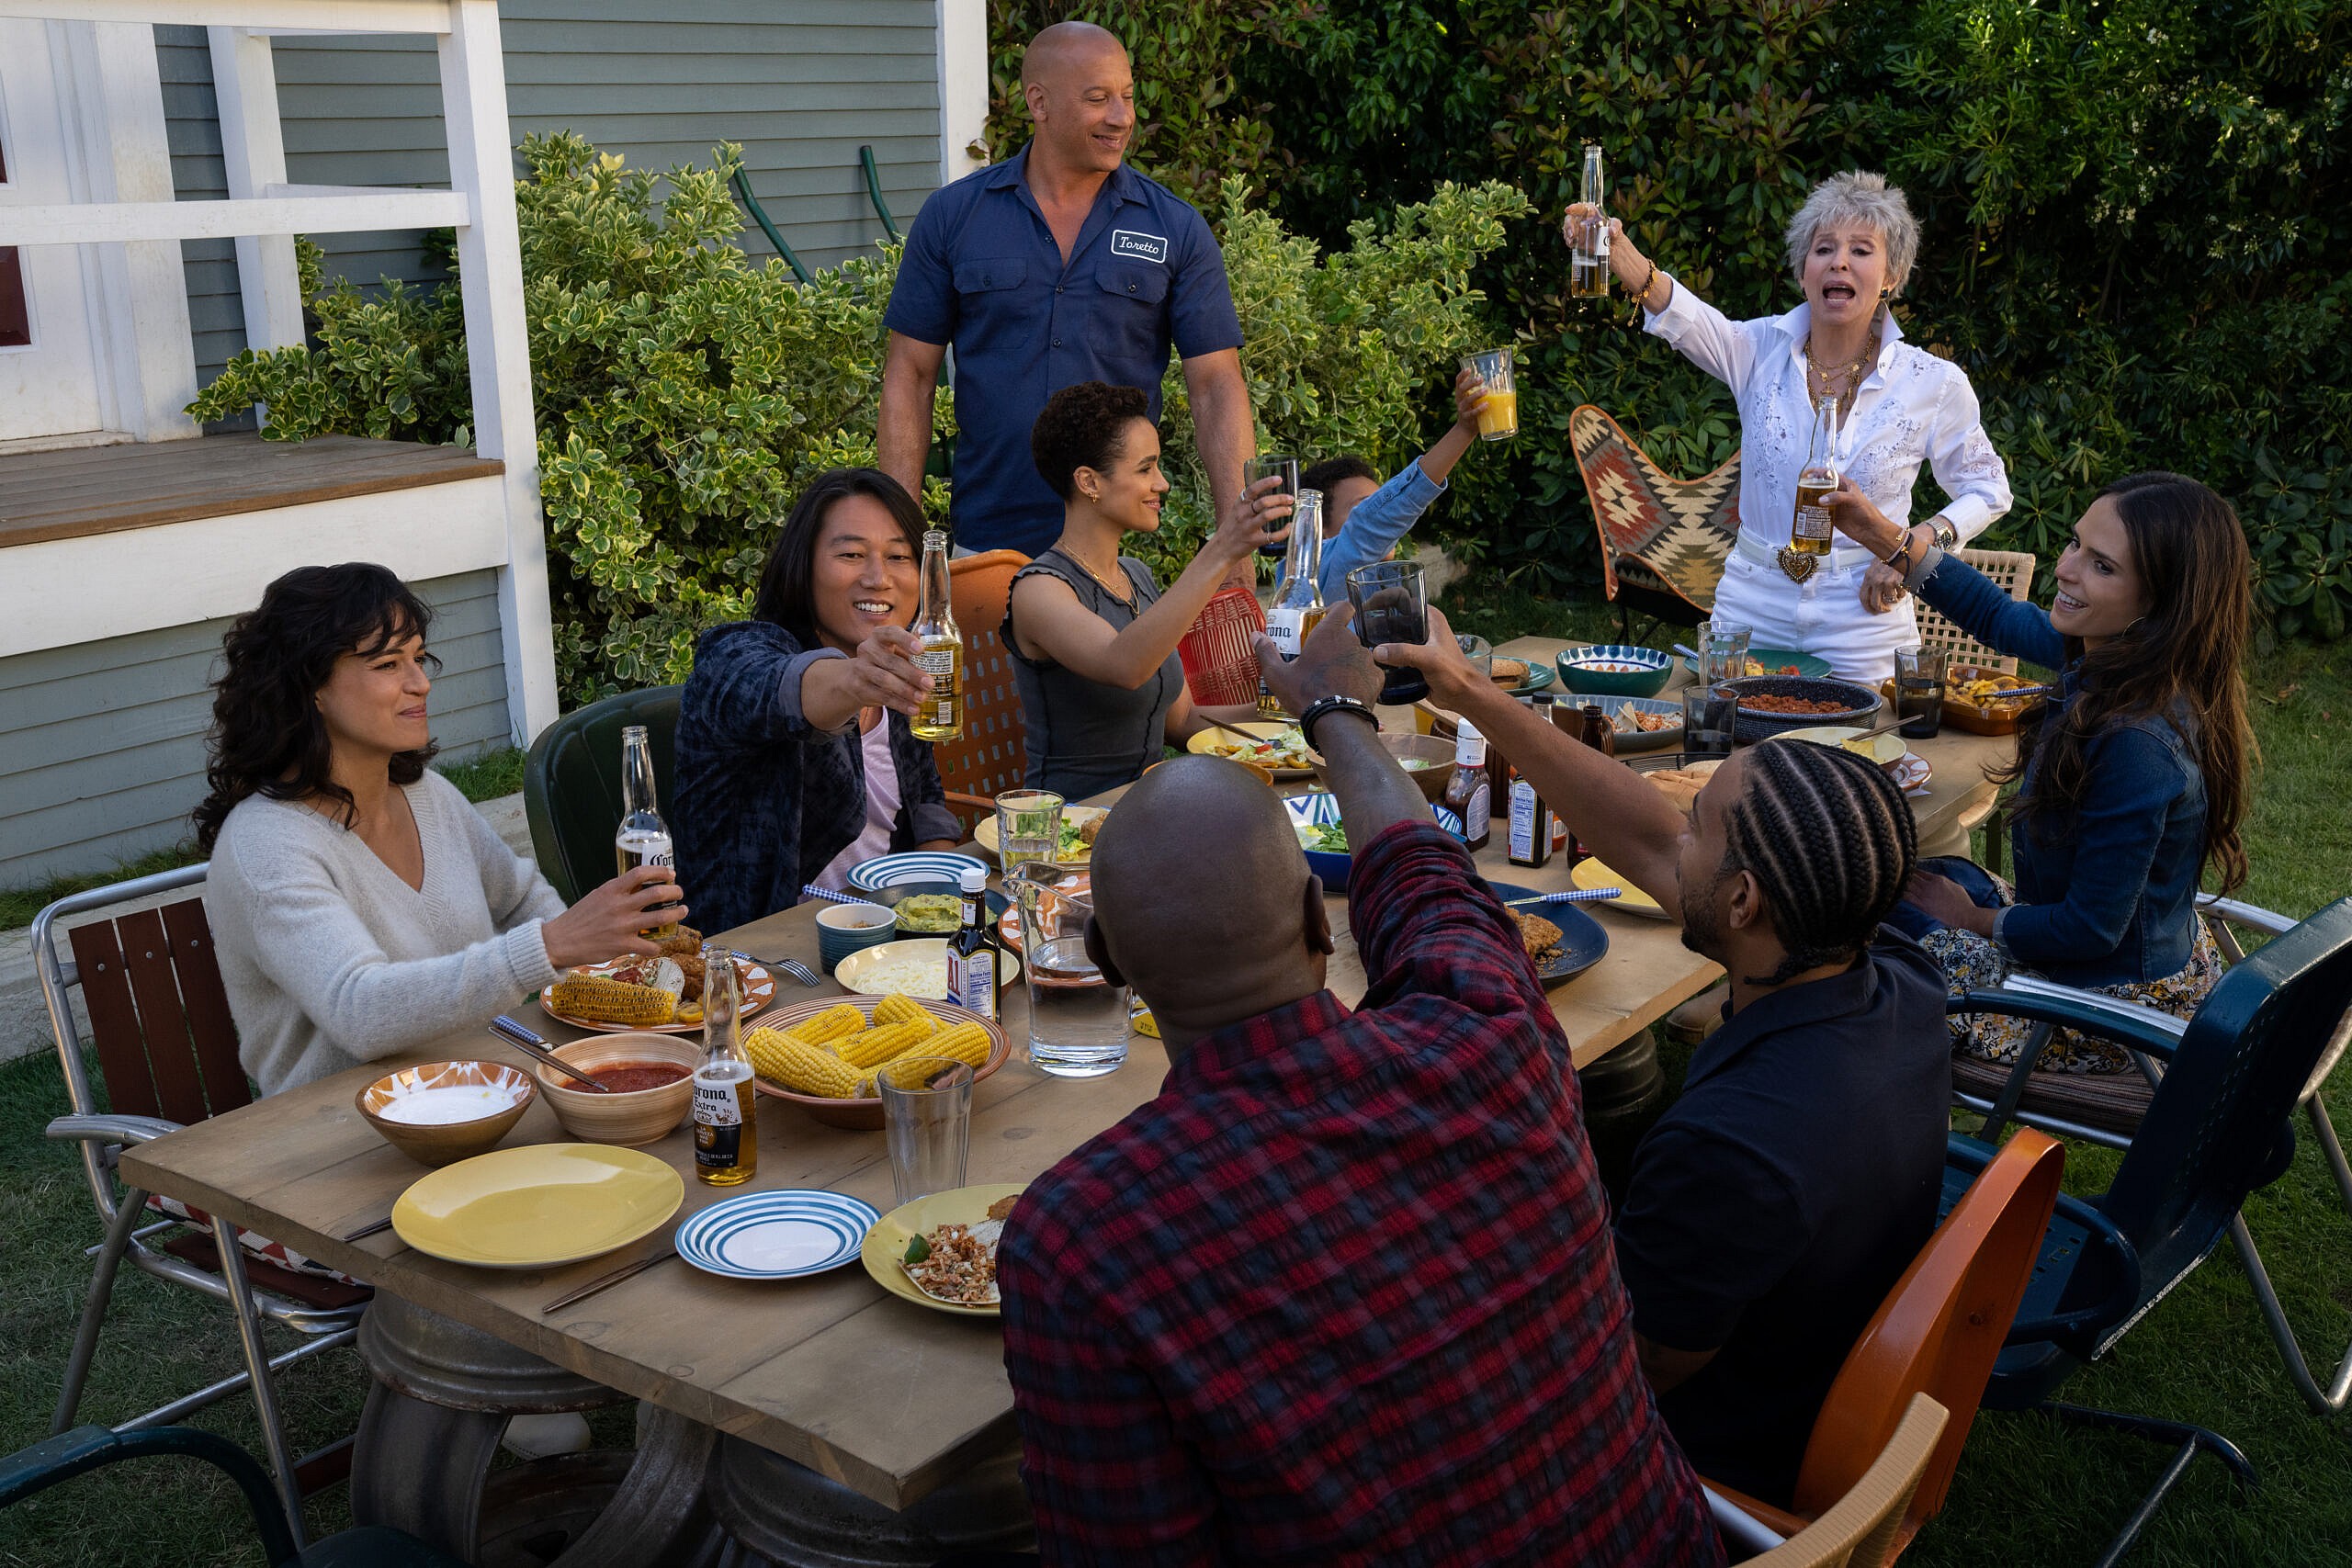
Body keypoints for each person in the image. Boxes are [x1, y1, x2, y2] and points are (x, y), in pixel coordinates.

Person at [994, 609, 1724, 1564]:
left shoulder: (1082, 1240)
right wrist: (1333, 712)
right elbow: (1424, 874)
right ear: (1314, 915)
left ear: (1105, 960)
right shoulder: (1490, 1035)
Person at [1377, 609, 1950, 1506]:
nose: (1673, 832)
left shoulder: (1735, 1148)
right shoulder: (1900, 985)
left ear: (1743, 899)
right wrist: (1469, 694)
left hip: (1700, 1459)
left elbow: (1625, 1369)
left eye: (1700, 828)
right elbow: (1645, 836)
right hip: (1803, 1342)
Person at [1830, 470, 2253, 1083]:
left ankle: (1818, 1098)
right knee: (1914, 876)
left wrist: (1974, 921)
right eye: (2077, 543)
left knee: (1854, 910)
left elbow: (2090, 929)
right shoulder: (2124, 660)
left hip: (2102, 1006)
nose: (2069, 568)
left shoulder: (2137, 742)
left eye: (2102, 565)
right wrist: (1879, 533)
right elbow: (1996, 614)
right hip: (2110, 958)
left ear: (2159, 604)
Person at [198, 564, 682, 1097]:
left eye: (419, 657)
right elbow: (360, 1011)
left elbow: (521, 898)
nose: (421, 682)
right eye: (388, 664)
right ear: (309, 686)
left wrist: (597, 974)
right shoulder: (266, 846)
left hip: (481, 1090)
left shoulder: (426, 794)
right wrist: (551, 947)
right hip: (339, 1136)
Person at [1566, 171, 2012, 682]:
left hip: (1865, 623)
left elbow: (1988, 488)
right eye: (1823, 249)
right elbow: (1679, 311)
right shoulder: (1757, 349)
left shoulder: (1932, 382)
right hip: (1751, 610)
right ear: (1804, 272)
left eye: (1862, 250)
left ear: (1892, 276)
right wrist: (1614, 245)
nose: (1839, 261)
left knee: (1862, 756)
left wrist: (1912, 547)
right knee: (1732, 751)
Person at [877, 21, 1256, 559]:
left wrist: (1234, 545)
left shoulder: (1174, 227)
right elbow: (909, 376)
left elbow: (1217, 388)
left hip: (1120, 554)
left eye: (1126, 97)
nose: (1122, 116)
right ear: (1039, 102)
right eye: (1098, 98)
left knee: (1122, 651)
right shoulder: (954, 216)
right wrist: (898, 541)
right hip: (988, 547)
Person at [675, 469, 964, 930]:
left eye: (898, 556)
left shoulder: (899, 663)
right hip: (761, 956)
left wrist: (941, 899)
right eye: (851, 554)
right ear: (803, 564)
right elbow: (768, 687)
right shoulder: (735, 653)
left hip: (888, 931)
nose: (878, 578)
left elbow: (923, 797)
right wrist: (853, 679)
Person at [1003, 381, 1282, 797]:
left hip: (1149, 810)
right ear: (1089, 482)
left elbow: (1183, 721)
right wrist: (1222, 549)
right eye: (1145, 468)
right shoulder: (1039, 590)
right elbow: (1126, 666)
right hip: (1072, 826)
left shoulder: (1135, 576)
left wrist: (1289, 710)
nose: (1162, 484)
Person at [1294, 366, 1493, 604]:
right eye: (1362, 507)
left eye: (1379, 501)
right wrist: (1463, 430)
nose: (1382, 517)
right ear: (1318, 531)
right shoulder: (1310, 578)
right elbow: (1369, 525)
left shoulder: (1383, 581)